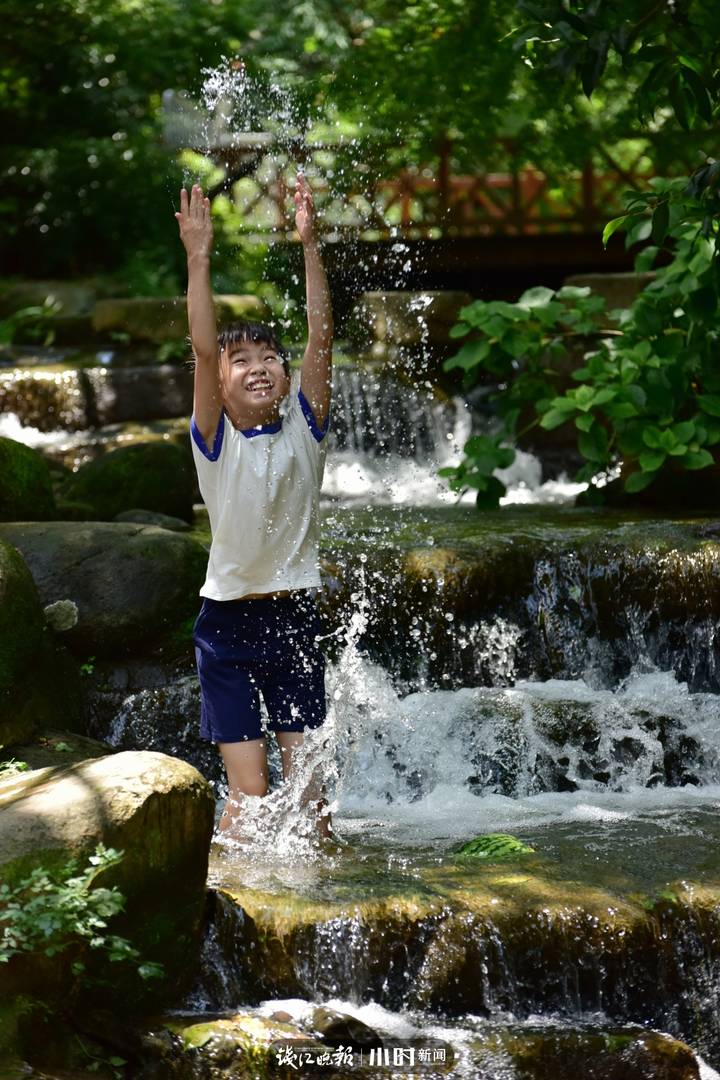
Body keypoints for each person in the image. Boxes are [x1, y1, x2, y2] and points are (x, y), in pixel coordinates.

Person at [175, 173, 333, 840]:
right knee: (252, 789)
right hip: (227, 628)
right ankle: (236, 900)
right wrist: (199, 257)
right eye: (242, 360)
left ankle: (323, 896)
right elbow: (204, 346)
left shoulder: (305, 427)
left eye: (270, 356)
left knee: (311, 790)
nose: (258, 365)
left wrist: (310, 246)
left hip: (294, 614)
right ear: (219, 382)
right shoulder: (214, 444)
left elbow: (321, 334)